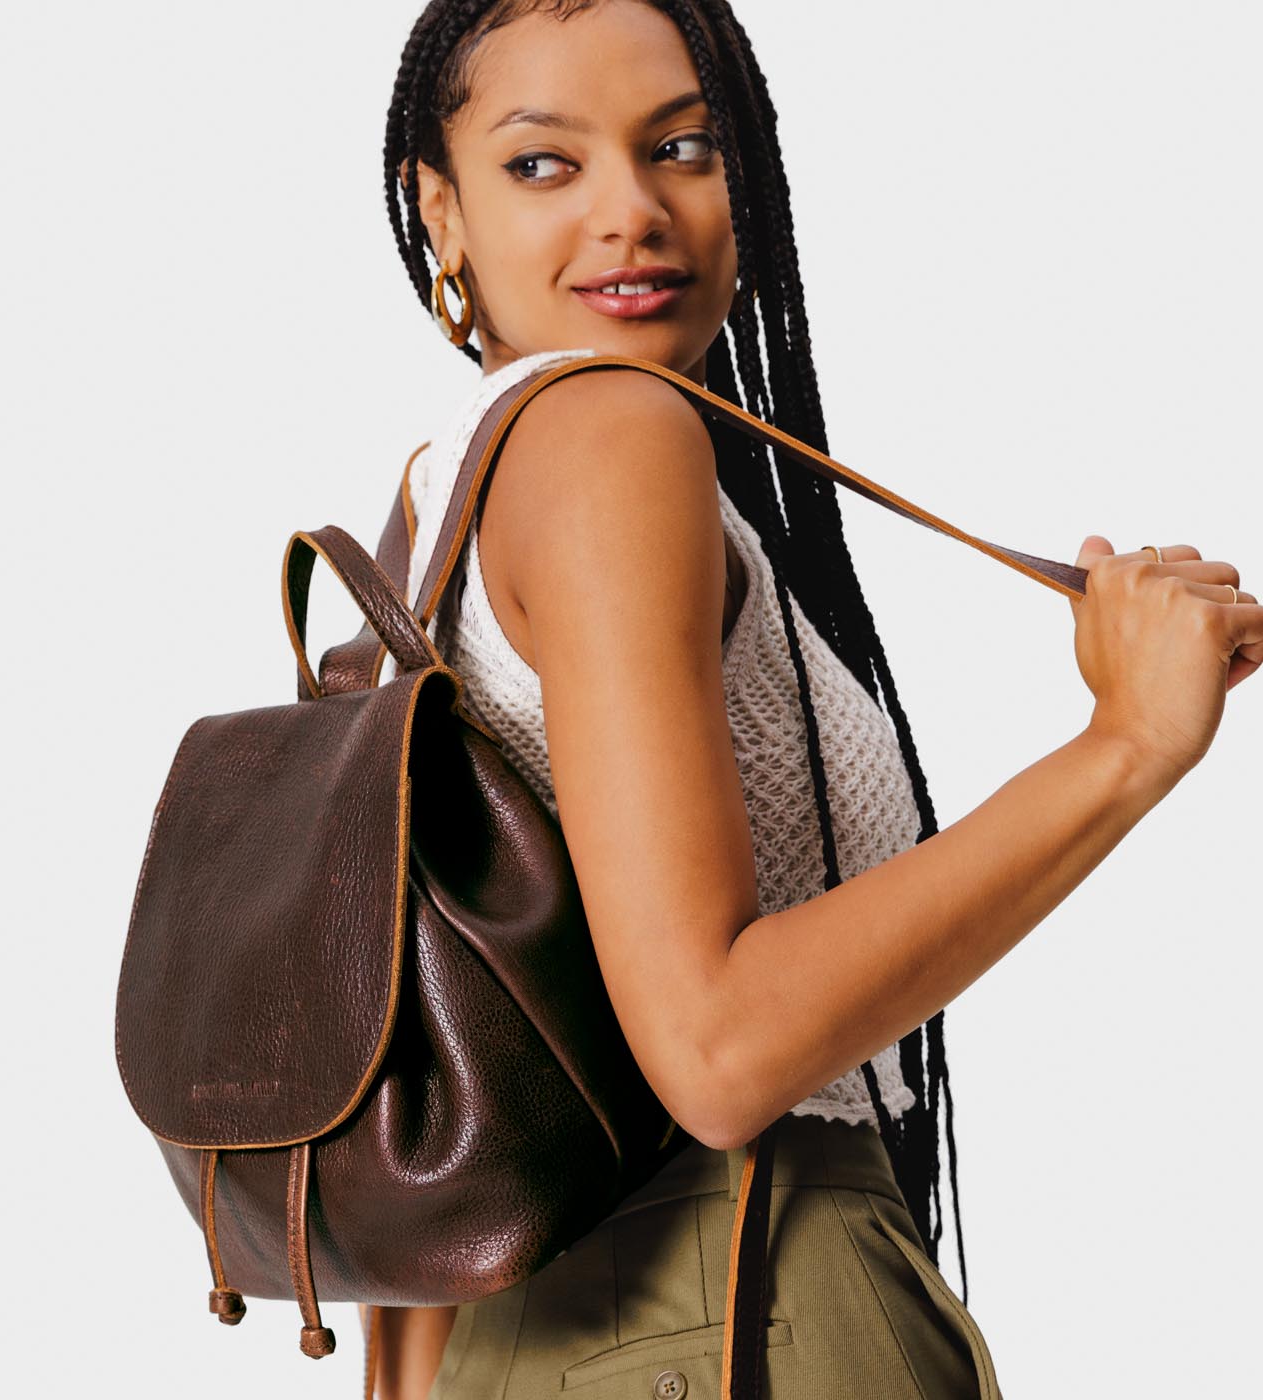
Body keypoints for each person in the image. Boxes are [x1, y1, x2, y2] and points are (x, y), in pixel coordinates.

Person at [360, 2, 1261, 1397]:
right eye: (544, 163)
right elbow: (718, 1053)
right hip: (742, 1301)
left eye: (686, 147)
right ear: (443, 210)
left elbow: (415, 1126)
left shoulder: (435, 507)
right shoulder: (607, 436)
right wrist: (1128, 744)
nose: (633, 211)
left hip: (522, 1349)